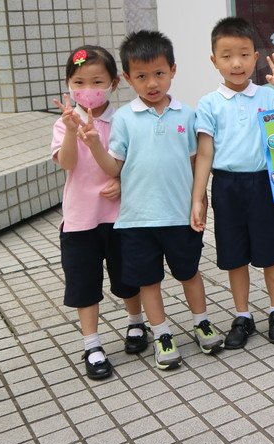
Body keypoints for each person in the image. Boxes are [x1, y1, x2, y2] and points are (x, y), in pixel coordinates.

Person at [81, 30, 224, 370]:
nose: (152, 83)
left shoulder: (186, 114)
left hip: (179, 216)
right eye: (142, 76)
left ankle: (201, 322)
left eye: (159, 73)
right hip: (137, 220)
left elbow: (196, 162)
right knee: (149, 281)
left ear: (173, 70)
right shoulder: (124, 119)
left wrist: (199, 200)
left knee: (189, 273)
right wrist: (94, 145)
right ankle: (161, 334)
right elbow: (114, 167)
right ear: (128, 78)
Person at [191, 17, 274, 350]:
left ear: (255, 57)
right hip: (226, 186)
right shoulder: (208, 104)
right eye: (227, 56)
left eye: (244, 54)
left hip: (263, 184)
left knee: (270, 250)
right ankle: (243, 315)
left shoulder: (267, 96)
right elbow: (204, 154)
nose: (236, 63)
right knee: (234, 254)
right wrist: (198, 198)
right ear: (214, 60)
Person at [50, 45, 146, 380]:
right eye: (79, 82)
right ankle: (91, 344)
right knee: (84, 283)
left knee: (128, 276)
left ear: (114, 83)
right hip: (80, 219)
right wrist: (72, 131)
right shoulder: (64, 123)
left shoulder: (124, 120)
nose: (87, 89)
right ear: (68, 84)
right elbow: (67, 164)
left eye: (96, 81)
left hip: (121, 216)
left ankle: (136, 323)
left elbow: (136, 163)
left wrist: (121, 182)